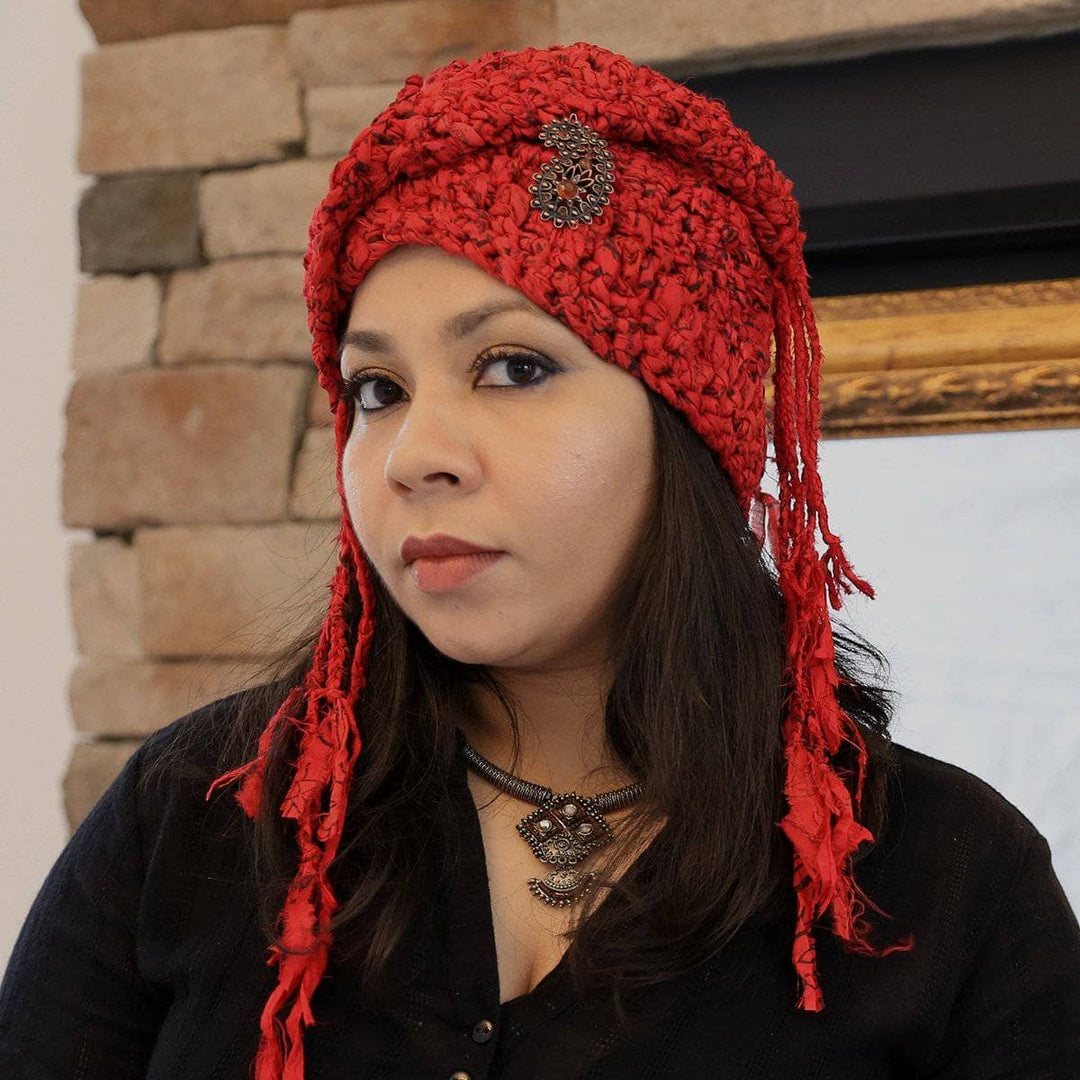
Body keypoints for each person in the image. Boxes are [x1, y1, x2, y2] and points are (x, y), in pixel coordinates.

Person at [1, 39, 1078, 1080]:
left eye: (514, 366)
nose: (414, 456)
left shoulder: (944, 876)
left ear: (687, 430)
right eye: (378, 391)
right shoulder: (198, 811)